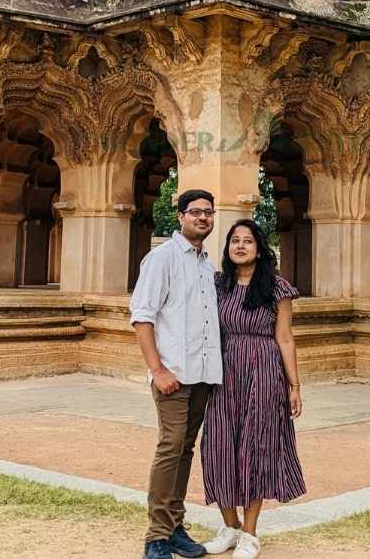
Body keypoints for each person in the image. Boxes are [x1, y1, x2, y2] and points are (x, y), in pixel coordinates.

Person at [200, 219, 306, 559]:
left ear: (260, 249)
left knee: (256, 447)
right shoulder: (218, 285)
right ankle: (229, 527)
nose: (240, 246)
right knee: (217, 444)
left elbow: (285, 337)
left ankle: (250, 533)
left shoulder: (276, 288)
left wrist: (294, 385)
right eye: (234, 241)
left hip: (263, 370)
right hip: (223, 372)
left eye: (247, 241)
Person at [130, 190, 222, 559]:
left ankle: (174, 526)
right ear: (180, 217)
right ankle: (156, 536)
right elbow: (142, 317)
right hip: (173, 375)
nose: (203, 218)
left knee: (185, 449)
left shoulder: (205, 263)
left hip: (202, 374)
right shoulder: (162, 259)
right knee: (170, 448)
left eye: (209, 213)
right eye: (196, 212)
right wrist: (158, 370)